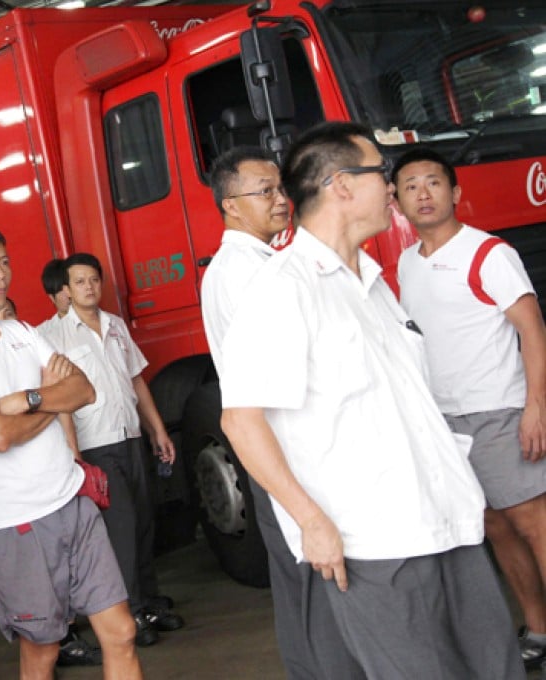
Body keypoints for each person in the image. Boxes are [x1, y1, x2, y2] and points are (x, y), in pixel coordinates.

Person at [219, 122, 522, 678]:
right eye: (380, 173)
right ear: (339, 185)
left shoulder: (374, 282)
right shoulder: (283, 289)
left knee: (493, 666)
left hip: (447, 522)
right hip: (374, 541)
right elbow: (241, 422)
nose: (392, 188)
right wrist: (310, 520)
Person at [0, 225, 141, 680]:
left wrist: (29, 399)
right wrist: (47, 393)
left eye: (3, 261)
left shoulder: (22, 331)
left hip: (73, 501)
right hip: (17, 524)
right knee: (41, 653)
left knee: (120, 631)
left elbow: (83, 389)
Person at [199, 146, 361, 680]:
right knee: (314, 580)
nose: (280, 200)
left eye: (279, 188)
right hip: (282, 448)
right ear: (230, 205)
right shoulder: (242, 273)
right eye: (264, 191)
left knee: (301, 584)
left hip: (283, 445)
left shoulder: (261, 263)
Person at [394, 147, 546, 668]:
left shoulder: (488, 254)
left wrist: (536, 408)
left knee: (534, 524)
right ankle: (538, 628)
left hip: (500, 412)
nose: (423, 193)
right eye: (410, 185)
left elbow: (532, 330)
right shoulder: (407, 262)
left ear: (455, 193)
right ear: (397, 202)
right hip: (446, 421)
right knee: (495, 528)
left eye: (433, 183)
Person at [41, 251, 183, 648]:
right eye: (80, 282)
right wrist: (74, 455)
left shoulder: (116, 325)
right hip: (96, 446)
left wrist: (157, 430)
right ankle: (131, 612)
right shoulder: (54, 338)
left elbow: (136, 381)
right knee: (120, 530)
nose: (89, 287)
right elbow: (59, 400)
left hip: (131, 437)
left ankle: (151, 601)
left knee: (143, 522)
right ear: (65, 291)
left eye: (94, 280)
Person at [36, 258, 70, 336]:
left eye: (70, 287)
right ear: (52, 297)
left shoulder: (100, 320)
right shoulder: (42, 334)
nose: (69, 294)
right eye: (62, 290)